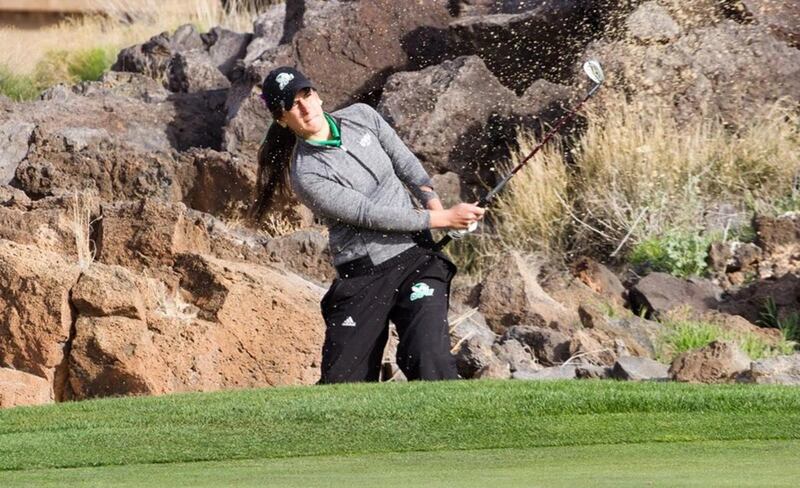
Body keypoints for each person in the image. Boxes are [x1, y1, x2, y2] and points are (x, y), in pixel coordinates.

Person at [251, 66, 485, 383]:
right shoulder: (306, 175)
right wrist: (444, 219)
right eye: (292, 104)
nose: (305, 107)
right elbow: (368, 214)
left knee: (430, 358)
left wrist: (437, 208)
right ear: (281, 119)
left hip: (417, 259)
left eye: (306, 95)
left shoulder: (362, 116)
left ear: (316, 95)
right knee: (343, 386)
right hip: (364, 278)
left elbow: (407, 165)